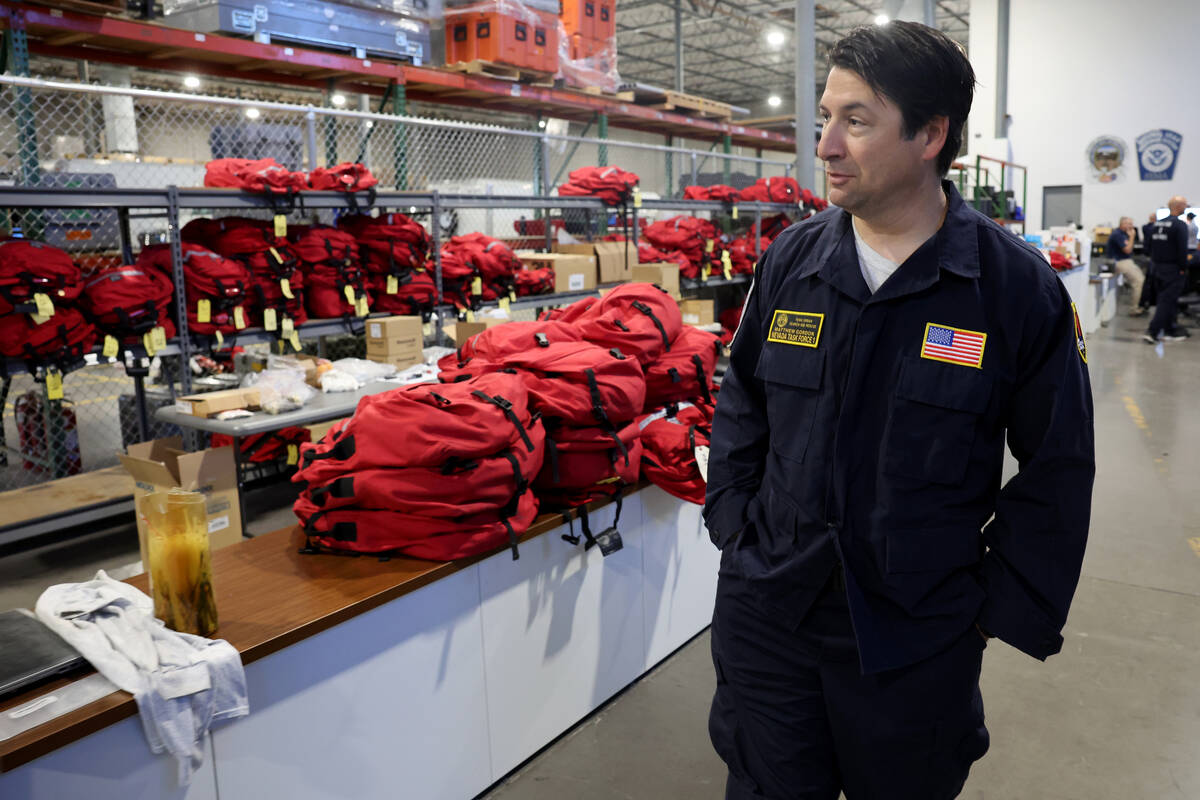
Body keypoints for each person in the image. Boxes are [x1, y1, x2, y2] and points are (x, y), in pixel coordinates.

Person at [704, 20, 1095, 800]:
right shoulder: (792, 261)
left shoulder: (1011, 290)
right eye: (824, 117)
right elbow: (742, 396)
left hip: (915, 636)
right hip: (770, 611)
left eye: (855, 120)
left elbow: (1058, 465)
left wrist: (989, 609)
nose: (824, 146)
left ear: (931, 135)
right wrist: (733, 522)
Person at [1143, 196, 1190, 343]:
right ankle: (1153, 332)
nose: (1186, 207)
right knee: (1166, 301)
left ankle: (1170, 329)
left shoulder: (1157, 224)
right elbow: (1182, 249)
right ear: (1179, 206)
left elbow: (1148, 247)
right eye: (1185, 204)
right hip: (1173, 269)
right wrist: (1183, 267)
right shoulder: (1180, 225)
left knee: (1167, 300)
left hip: (1156, 267)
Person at [1107, 217, 1146, 315]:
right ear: (1122, 224)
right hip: (1118, 262)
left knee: (1142, 278)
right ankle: (1134, 309)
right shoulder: (1118, 234)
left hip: (1126, 260)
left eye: (1131, 224)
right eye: (1128, 224)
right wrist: (1132, 236)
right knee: (1138, 281)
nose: (1131, 226)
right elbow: (1128, 250)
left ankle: (1139, 304)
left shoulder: (1124, 234)